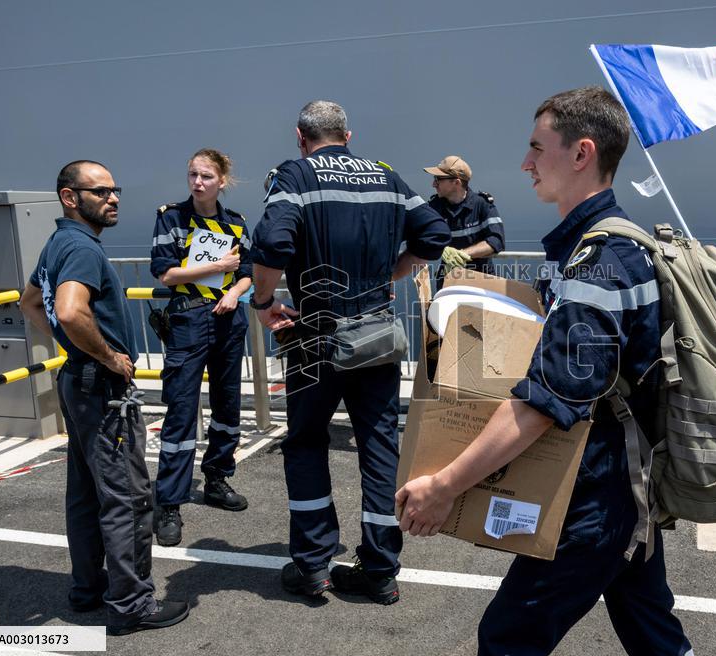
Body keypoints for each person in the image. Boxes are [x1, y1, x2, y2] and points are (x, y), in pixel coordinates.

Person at [396, 87, 694, 656]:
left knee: (508, 642)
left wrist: (444, 486)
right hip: (622, 485)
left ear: (582, 153)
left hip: (596, 492)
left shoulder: (601, 263)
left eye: (537, 147)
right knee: (653, 629)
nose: (526, 163)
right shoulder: (592, 250)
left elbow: (548, 400)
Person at [251, 100, 449, 604]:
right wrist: (390, 274)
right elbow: (435, 234)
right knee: (380, 446)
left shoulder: (294, 175)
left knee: (307, 443)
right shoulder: (386, 176)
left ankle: (314, 565)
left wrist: (264, 301)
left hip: (316, 334)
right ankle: (381, 570)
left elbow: (273, 245)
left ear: (300, 136)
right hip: (378, 333)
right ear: (348, 135)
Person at [20, 160, 189, 635]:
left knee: (86, 493)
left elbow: (31, 302)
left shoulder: (58, 242)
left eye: (115, 191)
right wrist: (111, 358)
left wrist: (76, 350)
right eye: (99, 192)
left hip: (77, 382)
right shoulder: (80, 247)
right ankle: (132, 605)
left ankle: (88, 588)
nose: (112, 199)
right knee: (130, 498)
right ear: (69, 197)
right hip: (102, 389)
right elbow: (71, 312)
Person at [149, 148, 253, 546]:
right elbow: (165, 273)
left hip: (228, 320)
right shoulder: (170, 217)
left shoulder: (237, 223)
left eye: (207, 176)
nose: (198, 182)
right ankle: (169, 502)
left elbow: (246, 271)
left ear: (221, 181)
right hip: (189, 320)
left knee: (228, 406)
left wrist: (236, 293)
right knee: (180, 410)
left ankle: (217, 478)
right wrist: (216, 269)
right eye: (193, 174)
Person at [423, 155, 505, 289]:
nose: (433, 184)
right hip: (448, 281)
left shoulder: (481, 204)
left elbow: (496, 241)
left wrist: (462, 254)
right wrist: (440, 249)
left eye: (438, 179)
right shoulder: (434, 207)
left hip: (481, 281)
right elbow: (420, 237)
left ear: (456, 182)